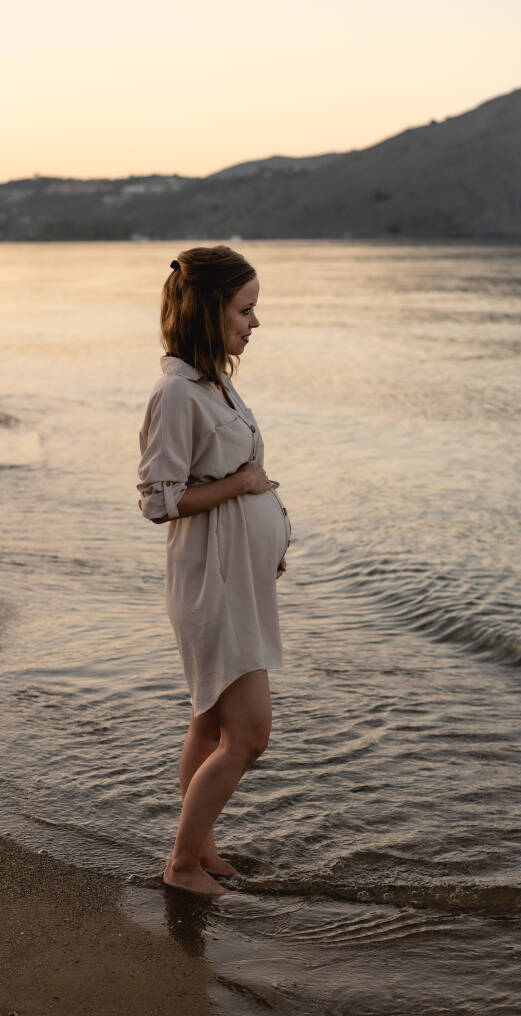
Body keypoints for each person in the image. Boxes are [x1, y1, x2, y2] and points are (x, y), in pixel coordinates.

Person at [137, 246, 291, 897]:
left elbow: (239, 476)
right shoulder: (176, 393)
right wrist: (242, 488)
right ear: (210, 311)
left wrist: (270, 536)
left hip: (237, 580)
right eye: (245, 309)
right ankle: (180, 866)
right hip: (212, 584)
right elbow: (158, 499)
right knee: (249, 734)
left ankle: (200, 851)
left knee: (208, 723)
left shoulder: (213, 383)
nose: (255, 323)